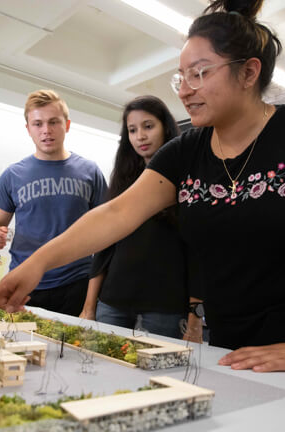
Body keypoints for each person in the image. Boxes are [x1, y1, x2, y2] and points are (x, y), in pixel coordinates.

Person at [0, 0, 285, 372]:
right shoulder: (185, 151)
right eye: (181, 76)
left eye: (200, 73)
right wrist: (37, 263)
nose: (184, 89)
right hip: (226, 345)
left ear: (248, 72)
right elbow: (117, 213)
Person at [0, 89, 107, 316]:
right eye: (38, 124)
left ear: (67, 125)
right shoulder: (12, 175)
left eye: (53, 122)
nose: (46, 131)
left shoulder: (90, 172)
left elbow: (105, 235)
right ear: (28, 129)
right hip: (25, 284)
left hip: (76, 284)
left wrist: (90, 304)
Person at [79, 95, 195, 339]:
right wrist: (89, 306)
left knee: (157, 374)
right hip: (113, 302)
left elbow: (197, 253)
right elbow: (103, 246)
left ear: (165, 127)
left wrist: (195, 318)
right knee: (102, 368)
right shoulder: (122, 179)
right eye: (132, 130)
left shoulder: (188, 178)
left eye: (148, 126)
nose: (140, 136)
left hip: (166, 306)